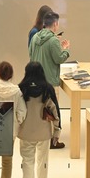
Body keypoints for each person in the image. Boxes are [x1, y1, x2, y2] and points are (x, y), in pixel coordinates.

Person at [17, 62, 61, 178]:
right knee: (43, 159)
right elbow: (55, 111)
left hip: (26, 131)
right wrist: (57, 131)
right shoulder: (47, 89)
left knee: (27, 159)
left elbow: (17, 111)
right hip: (44, 131)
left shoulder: (21, 88)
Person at [29, 11, 69, 149]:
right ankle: (54, 141)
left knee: (38, 109)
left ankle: (38, 136)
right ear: (56, 24)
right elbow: (59, 59)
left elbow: (30, 54)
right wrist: (66, 50)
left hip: (35, 81)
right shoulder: (53, 40)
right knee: (53, 112)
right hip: (50, 82)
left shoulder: (35, 37)